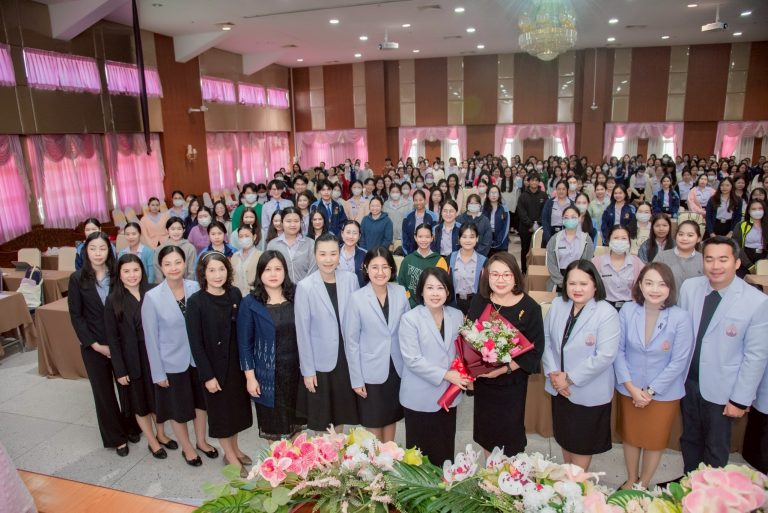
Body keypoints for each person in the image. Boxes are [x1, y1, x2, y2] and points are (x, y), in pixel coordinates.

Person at [677, 237, 768, 472]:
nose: (715, 266)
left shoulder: (756, 301)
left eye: (723, 259)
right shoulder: (690, 288)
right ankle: (689, 487)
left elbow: (756, 356)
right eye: (709, 259)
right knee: (689, 441)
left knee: (715, 449)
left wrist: (740, 399)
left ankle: (712, 492)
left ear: (736, 263)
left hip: (723, 390)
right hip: (688, 383)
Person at [614, 262, 694, 489]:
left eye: (661, 284)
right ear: (640, 285)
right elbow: (618, 351)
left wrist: (650, 391)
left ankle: (643, 482)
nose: (655, 289)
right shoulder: (628, 310)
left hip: (663, 393)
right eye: (649, 283)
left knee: (654, 440)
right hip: (629, 388)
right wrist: (631, 388)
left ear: (670, 288)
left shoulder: (680, 317)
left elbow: (679, 361)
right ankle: (631, 478)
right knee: (630, 436)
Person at [542, 260, 620, 471]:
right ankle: (567, 479)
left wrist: (568, 379)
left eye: (583, 284)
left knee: (582, 444)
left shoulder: (606, 313)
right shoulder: (558, 305)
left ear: (595, 285)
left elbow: (605, 355)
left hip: (587, 390)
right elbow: (546, 339)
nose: (577, 289)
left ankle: (577, 484)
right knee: (565, 438)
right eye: (572, 283)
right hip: (559, 388)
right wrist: (553, 374)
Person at [142, 246, 216, 467]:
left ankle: (201, 441)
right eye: (168, 264)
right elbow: (151, 339)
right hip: (171, 363)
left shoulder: (196, 287)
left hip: (198, 359)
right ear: (161, 267)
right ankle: (187, 447)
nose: (173, 268)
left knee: (201, 404)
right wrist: (158, 373)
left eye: (178, 262)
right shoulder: (152, 297)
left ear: (185, 263)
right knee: (179, 409)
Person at [69, 232, 140, 456]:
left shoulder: (117, 275)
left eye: (102, 248)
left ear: (109, 250)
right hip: (94, 346)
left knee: (126, 388)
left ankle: (131, 426)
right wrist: (95, 344)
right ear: (86, 252)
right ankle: (115, 437)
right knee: (104, 393)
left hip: (120, 343)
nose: (98, 253)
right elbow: (76, 316)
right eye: (93, 249)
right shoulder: (77, 279)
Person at [467, 253, 544, 456]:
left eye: (506, 274)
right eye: (495, 274)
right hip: (484, 383)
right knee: (486, 433)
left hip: (512, 384)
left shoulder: (530, 308)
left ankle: (508, 475)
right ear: (487, 276)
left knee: (509, 437)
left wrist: (504, 369)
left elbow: (536, 350)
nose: (500, 280)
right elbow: (469, 336)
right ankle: (489, 472)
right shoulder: (480, 301)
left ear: (516, 276)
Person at [186, 252, 252, 477]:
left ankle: (235, 448)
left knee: (235, 412)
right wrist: (207, 376)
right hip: (213, 368)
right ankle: (230, 456)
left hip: (235, 366)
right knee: (222, 415)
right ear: (203, 273)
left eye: (221, 269)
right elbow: (195, 343)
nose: (217, 275)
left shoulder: (235, 294)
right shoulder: (196, 302)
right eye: (211, 270)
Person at [105, 253, 177, 460]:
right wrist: (120, 370)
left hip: (156, 356)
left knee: (158, 400)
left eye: (135, 270)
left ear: (142, 271)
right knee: (140, 403)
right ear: (119, 274)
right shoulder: (113, 300)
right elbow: (113, 338)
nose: (132, 275)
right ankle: (152, 441)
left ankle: (161, 434)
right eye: (126, 271)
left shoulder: (154, 291)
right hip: (132, 360)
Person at [398, 267, 466, 465]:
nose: (435, 293)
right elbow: (413, 359)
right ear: (421, 291)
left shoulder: (457, 315)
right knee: (418, 457)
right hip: (419, 396)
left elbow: (462, 351)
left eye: (440, 288)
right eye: (430, 288)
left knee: (444, 450)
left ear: (448, 291)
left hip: (448, 396)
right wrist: (447, 374)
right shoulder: (410, 319)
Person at [295, 233, 360, 432]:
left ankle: (337, 448)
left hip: (345, 358)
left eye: (333, 253)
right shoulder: (305, 286)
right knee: (322, 417)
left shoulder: (350, 279)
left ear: (339, 255)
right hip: (320, 361)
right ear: (315, 256)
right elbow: (302, 332)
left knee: (340, 412)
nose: (328, 259)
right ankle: (324, 451)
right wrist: (308, 370)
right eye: (323, 254)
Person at [343, 247, 409, 443]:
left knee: (391, 417)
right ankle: (377, 460)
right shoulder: (357, 298)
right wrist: (356, 379)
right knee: (373, 421)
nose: (380, 272)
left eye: (385, 267)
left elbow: (408, 330)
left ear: (392, 269)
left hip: (396, 368)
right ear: (366, 268)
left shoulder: (399, 292)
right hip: (370, 371)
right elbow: (351, 342)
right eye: (375, 267)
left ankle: (391, 456)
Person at [238, 251, 305, 441]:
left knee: (297, 428)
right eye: (268, 269)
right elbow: (244, 345)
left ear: (285, 271)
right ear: (260, 273)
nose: (273, 274)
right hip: (267, 376)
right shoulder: (250, 303)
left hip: (296, 374)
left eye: (278, 269)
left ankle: (297, 461)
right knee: (273, 431)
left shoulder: (297, 296)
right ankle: (278, 461)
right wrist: (250, 378)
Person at [592, 225, 643, 310]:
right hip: (603, 307)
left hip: (630, 307)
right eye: (616, 238)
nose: (620, 241)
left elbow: (643, 286)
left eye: (624, 238)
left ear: (629, 242)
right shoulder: (596, 262)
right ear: (609, 240)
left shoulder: (636, 262)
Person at [398, 223, 449, 308]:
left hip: (433, 305)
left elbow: (443, 286)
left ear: (432, 238)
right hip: (410, 305)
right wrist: (410, 300)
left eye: (427, 237)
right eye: (420, 236)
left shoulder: (440, 261)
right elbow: (401, 283)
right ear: (415, 238)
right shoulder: (407, 260)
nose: (423, 240)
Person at [546, 206, 594, 291]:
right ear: (562, 219)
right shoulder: (555, 239)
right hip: (558, 281)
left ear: (579, 218)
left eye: (573, 217)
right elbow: (551, 264)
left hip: (580, 280)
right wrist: (562, 282)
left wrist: (576, 282)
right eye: (566, 217)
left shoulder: (587, 239)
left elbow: (588, 262)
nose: (570, 220)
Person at [266, 207, 317, 283]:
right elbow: (270, 269)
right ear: (282, 222)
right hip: (281, 288)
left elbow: (313, 270)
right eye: (288, 221)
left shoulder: (311, 243)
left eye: (296, 221)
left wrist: (303, 287)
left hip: (307, 288)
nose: (292, 224)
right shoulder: (272, 245)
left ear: (301, 222)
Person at [654, 220, 704, 292]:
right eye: (681, 234)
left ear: (698, 238)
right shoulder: (662, 257)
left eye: (690, 235)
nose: (684, 238)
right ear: (675, 236)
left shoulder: (703, 259)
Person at [449, 223, 487, 315]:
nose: (468, 240)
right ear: (459, 239)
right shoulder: (450, 259)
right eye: (464, 237)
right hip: (453, 304)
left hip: (476, 304)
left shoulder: (484, 262)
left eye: (472, 237)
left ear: (477, 238)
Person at [517, 174, 549, 271]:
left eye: (536, 180)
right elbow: (521, 212)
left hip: (540, 228)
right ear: (528, 182)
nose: (534, 182)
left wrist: (538, 224)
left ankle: (537, 270)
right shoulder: (523, 196)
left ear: (539, 182)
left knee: (539, 250)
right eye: (532, 180)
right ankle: (524, 270)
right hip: (525, 228)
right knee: (525, 249)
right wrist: (530, 225)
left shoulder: (544, 195)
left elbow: (545, 211)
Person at [153, 217, 196, 283]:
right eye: (172, 229)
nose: (176, 232)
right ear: (167, 230)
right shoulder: (159, 249)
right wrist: (165, 286)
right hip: (165, 285)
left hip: (186, 285)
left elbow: (192, 271)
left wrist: (186, 286)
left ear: (184, 230)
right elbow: (157, 270)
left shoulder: (190, 248)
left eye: (179, 229)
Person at [401, 190, 437, 255]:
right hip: (411, 253)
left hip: (428, 253)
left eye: (420, 200)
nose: (418, 202)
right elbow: (404, 237)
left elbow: (434, 237)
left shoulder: (432, 216)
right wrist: (408, 254)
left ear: (425, 201)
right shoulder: (407, 216)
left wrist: (431, 254)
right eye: (416, 200)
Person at [733, 199, 767, 269]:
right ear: (749, 211)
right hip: (745, 258)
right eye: (753, 209)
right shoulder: (741, 225)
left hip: (765, 258)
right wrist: (748, 265)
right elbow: (736, 244)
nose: (757, 211)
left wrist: (765, 263)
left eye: (760, 208)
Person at [541, 180, 572, 247]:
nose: (561, 191)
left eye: (563, 189)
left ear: (567, 190)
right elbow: (544, 220)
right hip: (549, 235)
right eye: (559, 189)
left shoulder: (571, 204)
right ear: (556, 190)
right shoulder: (549, 202)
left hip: (567, 237)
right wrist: (549, 238)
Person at [483, 185, 511, 257]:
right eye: (491, 193)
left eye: (496, 193)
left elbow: (505, 228)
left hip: (502, 243)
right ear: (487, 195)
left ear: (499, 195)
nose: (493, 195)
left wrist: (498, 241)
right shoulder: (483, 209)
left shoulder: (504, 209)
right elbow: (482, 227)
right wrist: (488, 240)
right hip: (487, 242)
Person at [338, 220, 366, 286]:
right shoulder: (334, 251)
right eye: (348, 232)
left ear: (359, 236)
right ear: (342, 234)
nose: (351, 236)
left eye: (354, 233)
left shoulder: (364, 255)